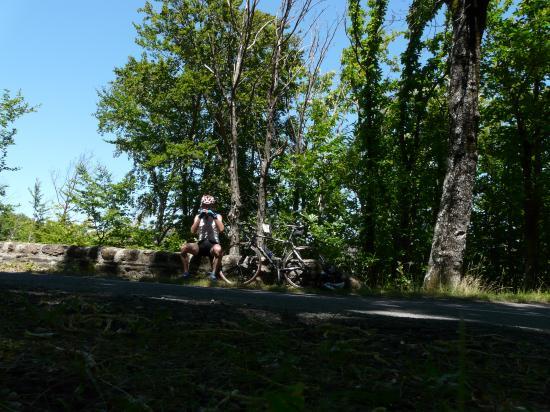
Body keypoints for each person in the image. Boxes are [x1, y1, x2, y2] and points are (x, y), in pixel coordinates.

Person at [180, 194, 225, 281]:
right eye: (205, 205)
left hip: (213, 244)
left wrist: (214, 217)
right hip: (200, 245)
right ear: (202, 205)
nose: (207, 207)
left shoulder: (218, 216)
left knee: (218, 250)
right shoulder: (198, 216)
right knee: (184, 248)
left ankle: (213, 274)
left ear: (213, 206)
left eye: (209, 206)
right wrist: (200, 217)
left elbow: (221, 229)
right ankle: (186, 273)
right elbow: (192, 231)